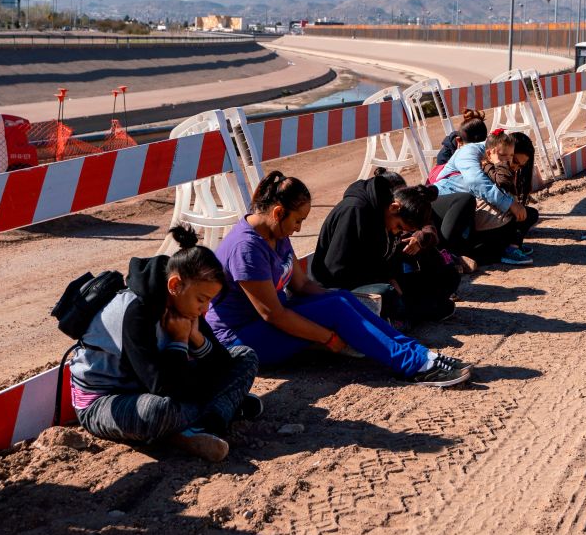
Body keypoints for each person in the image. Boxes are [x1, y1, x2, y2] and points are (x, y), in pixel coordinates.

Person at [205, 170, 472, 386]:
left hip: (270, 320)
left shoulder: (277, 234)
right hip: (239, 339)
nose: (299, 229)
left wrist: (342, 304)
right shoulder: (247, 248)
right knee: (336, 307)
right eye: (298, 221)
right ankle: (415, 366)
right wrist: (328, 338)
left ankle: (420, 354)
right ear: (278, 213)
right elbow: (272, 315)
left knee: (341, 299)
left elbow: (302, 285)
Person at [69, 226, 261, 462]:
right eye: (202, 300)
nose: (206, 309)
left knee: (245, 356)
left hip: (163, 386)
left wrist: (196, 339)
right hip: (106, 400)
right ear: (175, 285)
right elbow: (162, 387)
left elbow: (224, 363)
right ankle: (216, 414)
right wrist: (179, 341)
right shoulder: (135, 312)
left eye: (209, 300)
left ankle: (204, 425)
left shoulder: (185, 302)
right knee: (158, 411)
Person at [311, 170, 460, 324]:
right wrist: (385, 280)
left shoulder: (386, 214)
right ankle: (406, 315)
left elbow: (385, 258)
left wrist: (390, 277)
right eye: (399, 227)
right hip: (342, 287)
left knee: (448, 276)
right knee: (386, 294)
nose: (397, 232)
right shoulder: (354, 211)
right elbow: (336, 270)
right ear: (394, 208)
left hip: (380, 278)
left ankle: (408, 313)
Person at [435, 131, 529, 266]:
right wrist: (510, 204)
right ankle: (453, 254)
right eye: (512, 159)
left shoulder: (501, 159)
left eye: (511, 157)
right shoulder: (470, 152)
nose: (511, 164)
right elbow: (477, 183)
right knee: (508, 212)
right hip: (450, 205)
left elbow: (503, 189)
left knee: (527, 214)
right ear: (492, 151)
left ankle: (507, 247)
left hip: (473, 207)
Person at [483, 131, 543, 260]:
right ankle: (509, 249)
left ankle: (510, 245)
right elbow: (501, 188)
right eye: (514, 161)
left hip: (500, 216)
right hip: (489, 219)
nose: (515, 167)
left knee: (529, 214)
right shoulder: (493, 169)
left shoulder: (509, 171)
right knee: (521, 214)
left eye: (520, 166)